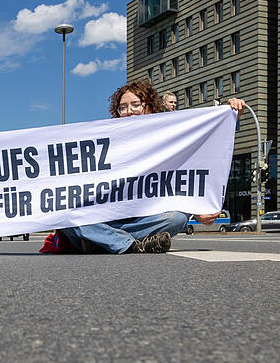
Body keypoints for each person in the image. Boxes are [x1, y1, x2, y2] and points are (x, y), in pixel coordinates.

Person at [50, 80, 233, 254]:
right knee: (63, 211)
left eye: (135, 105)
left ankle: (102, 242)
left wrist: (230, 115)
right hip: (101, 219)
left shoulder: (169, 138)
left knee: (177, 217)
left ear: (149, 108)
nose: (129, 111)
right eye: (122, 107)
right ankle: (127, 244)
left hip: (139, 221)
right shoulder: (104, 141)